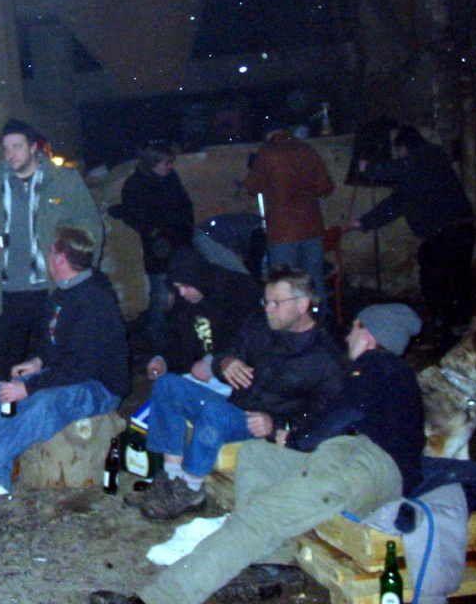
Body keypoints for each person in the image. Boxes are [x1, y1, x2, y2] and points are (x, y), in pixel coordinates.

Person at [89, 303, 424, 604]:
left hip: (360, 464)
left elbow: (342, 416)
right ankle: (272, 563)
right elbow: (338, 418)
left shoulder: (376, 365)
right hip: (359, 463)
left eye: (355, 327)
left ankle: (156, 599)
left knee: (255, 521)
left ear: (369, 334)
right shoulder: (391, 375)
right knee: (255, 454)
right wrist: (292, 433)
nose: (349, 335)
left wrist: (297, 439)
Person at [0, 227, 128, 504]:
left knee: (43, 403)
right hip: (68, 376)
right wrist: (37, 362)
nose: (47, 257)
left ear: (61, 258)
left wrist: (29, 388)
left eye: (51, 251)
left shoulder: (95, 299)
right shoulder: (60, 294)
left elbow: (80, 367)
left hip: (100, 387)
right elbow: (54, 348)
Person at [130, 266, 343, 520]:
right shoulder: (259, 324)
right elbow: (228, 352)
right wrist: (225, 362)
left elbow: (326, 419)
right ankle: (171, 479)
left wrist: (276, 425)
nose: (268, 308)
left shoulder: (326, 358)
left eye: (276, 303)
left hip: (260, 426)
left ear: (303, 304)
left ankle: (192, 490)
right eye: (266, 301)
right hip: (235, 408)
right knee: (167, 385)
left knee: (215, 411)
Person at [0, 119, 103, 383]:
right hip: (5, 293)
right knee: (2, 369)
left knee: (51, 363)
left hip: (50, 290)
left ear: (34, 147)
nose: (10, 154)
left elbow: (91, 227)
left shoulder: (64, 181)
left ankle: (49, 410)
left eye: (17, 146)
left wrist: (79, 275)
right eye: (6, 149)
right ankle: (6, 409)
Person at [349, 125, 474, 336]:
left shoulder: (427, 156)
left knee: (450, 282)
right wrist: (362, 223)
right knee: (441, 280)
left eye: (399, 152)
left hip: (451, 233)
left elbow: (399, 168)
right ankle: (449, 326)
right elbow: (396, 204)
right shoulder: (417, 172)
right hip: (447, 234)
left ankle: (455, 328)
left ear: (404, 148)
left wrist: (369, 167)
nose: (399, 156)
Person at [108, 141, 195, 357]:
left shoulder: (171, 178)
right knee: (160, 296)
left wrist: (186, 229)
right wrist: (154, 232)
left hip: (181, 245)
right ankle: (159, 346)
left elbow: (184, 205)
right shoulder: (136, 184)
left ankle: (184, 341)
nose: (169, 167)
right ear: (153, 162)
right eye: (166, 163)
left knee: (184, 295)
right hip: (159, 251)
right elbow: (134, 215)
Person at [243, 124, 334, 308]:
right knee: (314, 281)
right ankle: (319, 321)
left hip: (282, 230)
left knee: (285, 283)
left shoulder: (267, 153)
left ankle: (289, 323)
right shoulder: (307, 150)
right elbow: (326, 188)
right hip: (311, 227)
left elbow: (251, 187)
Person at [146, 246, 261, 381]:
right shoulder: (183, 303)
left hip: (241, 374)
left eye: (186, 286)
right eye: (177, 288)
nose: (182, 293)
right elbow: (178, 341)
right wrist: (163, 361)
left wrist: (212, 364)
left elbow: (248, 341)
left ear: (198, 279)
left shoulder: (237, 292)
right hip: (204, 376)